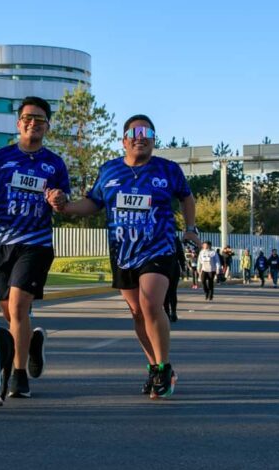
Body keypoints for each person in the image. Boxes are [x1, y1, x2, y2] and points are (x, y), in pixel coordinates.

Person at [50, 114, 201, 399]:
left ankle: (165, 368)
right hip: (122, 252)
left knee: (150, 304)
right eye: (135, 132)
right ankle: (155, 367)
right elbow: (92, 203)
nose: (141, 136)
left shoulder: (168, 170)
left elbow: (187, 198)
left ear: (154, 140)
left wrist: (190, 229)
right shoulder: (109, 171)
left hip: (158, 248)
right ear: (124, 141)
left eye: (147, 132)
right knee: (137, 313)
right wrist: (64, 207)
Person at [0, 96, 71, 398]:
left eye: (40, 120)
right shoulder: (1, 158)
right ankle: (32, 343)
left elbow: (63, 201)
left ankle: (18, 374)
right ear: (18, 123)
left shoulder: (54, 164)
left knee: (17, 307)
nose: (33, 124)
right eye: (28, 118)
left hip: (36, 244)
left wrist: (58, 200)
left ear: (47, 127)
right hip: (2, 245)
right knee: (12, 314)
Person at [163, 238, 186, 323]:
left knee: (172, 291)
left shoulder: (175, 239)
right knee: (164, 292)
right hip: (161, 268)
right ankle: (166, 312)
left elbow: (180, 254)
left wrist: (183, 269)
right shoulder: (157, 237)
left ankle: (173, 311)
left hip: (173, 268)